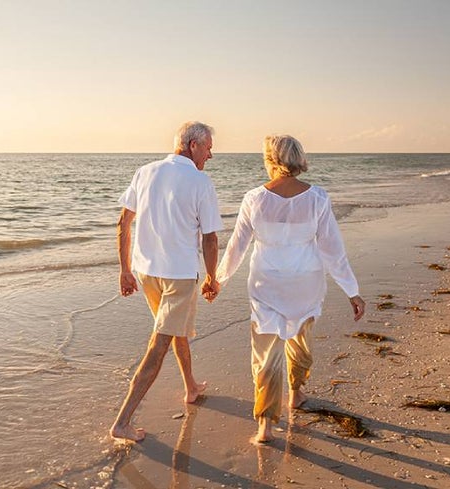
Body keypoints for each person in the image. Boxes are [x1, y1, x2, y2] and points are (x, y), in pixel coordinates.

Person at [211, 134, 365, 444]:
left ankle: (265, 425)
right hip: (305, 283)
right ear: (298, 159)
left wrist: (218, 279)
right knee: (300, 341)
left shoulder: (254, 198)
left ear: (271, 160)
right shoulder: (318, 198)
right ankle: (295, 393)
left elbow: (237, 248)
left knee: (266, 354)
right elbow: (333, 251)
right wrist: (352, 290)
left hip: (266, 283)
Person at [109, 121, 224, 442]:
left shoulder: (145, 171)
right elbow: (210, 238)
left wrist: (125, 270)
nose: (211, 154)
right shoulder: (200, 182)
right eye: (209, 147)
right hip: (179, 276)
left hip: (147, 272)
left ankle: (190, 386)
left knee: (175, 330)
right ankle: (122, 421)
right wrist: (213, 277)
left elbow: (123, 224)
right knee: (159, 343)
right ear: (192, 146)